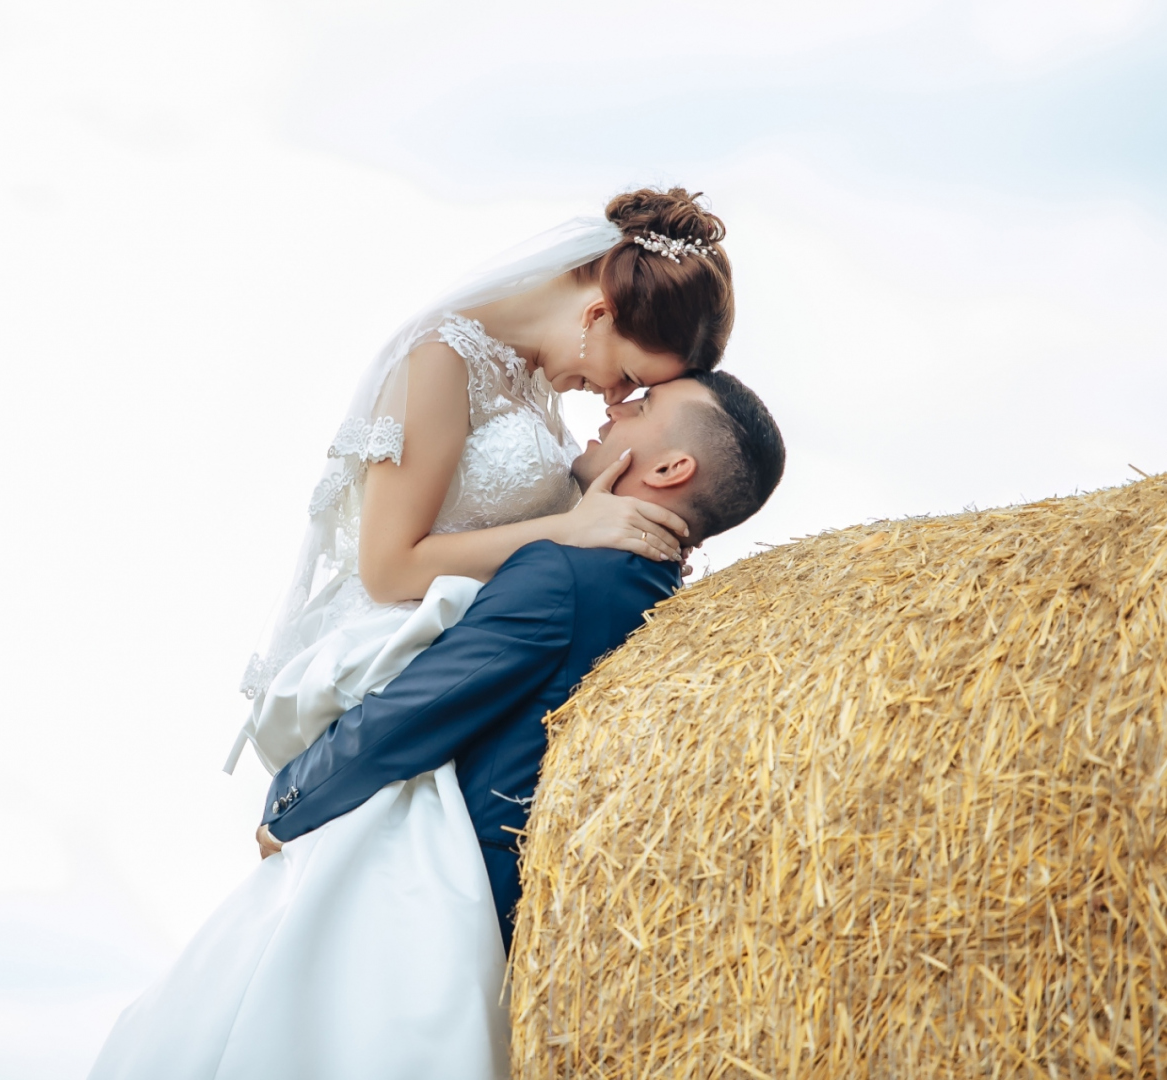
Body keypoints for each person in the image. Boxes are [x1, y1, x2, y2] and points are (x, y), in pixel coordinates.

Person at [89, 190, 739, 1080]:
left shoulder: (526, 376)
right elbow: (390, 568)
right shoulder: (440, 358)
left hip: (469, 661)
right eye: (626, 375)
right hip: (404, 645)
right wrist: (571, 529)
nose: (614, 401)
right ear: (597, 312)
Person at [256, 371, 785, 952]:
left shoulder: (568, 575)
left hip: (441, 902)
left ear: (669, 469)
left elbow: (416, 711)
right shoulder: (655, 594)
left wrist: (291, 803)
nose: (616, 409)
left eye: (645, 404)